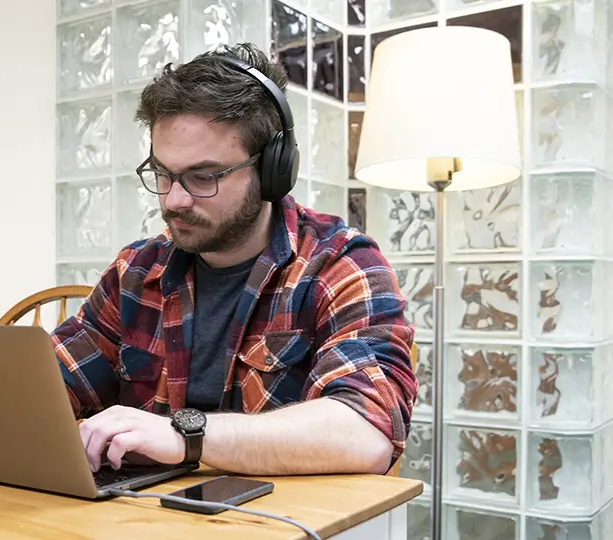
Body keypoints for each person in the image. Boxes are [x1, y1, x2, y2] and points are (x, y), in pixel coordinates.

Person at [51, 42, 417, 477]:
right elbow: (50, 386)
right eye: (163, 174)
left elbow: (366, 432)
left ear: (271, 170)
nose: (174, 199)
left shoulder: (340, 265)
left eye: (203, 176)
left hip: (279, 521)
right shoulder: (136, 270)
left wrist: (185, 435)